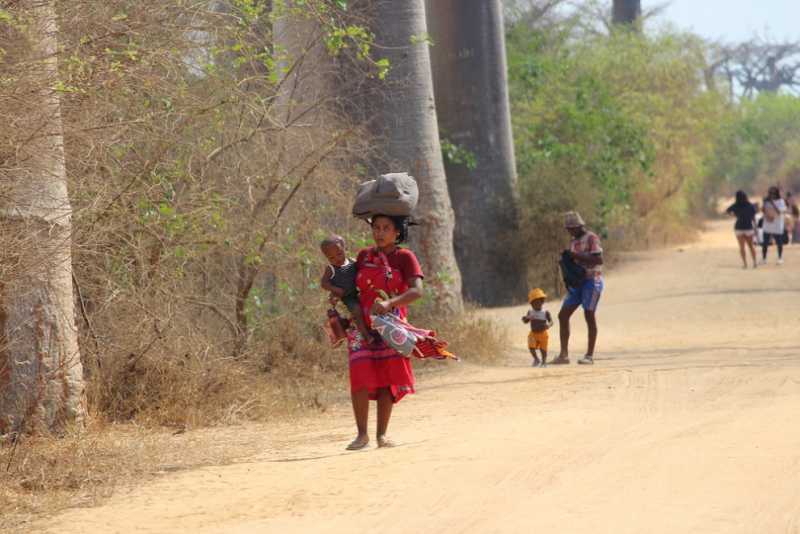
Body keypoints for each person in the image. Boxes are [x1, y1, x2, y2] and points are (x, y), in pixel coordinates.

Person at [345, 214, 424, 450]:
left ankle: (381, 435)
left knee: (386, 379)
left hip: (391, 326)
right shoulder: (363, 256)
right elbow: (350, 289)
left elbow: (417, 291)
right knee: (359, 374)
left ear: (397, 232)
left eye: (385, 228)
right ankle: (362, 435)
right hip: (361, 326)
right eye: (376, 228)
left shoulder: (405, 257)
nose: (379, 233)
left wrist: (391, 304)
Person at [552, 211, 603, 366]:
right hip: (578, 283)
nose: (571, 231)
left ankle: (589, 355)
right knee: (563, 315)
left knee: (589, 315)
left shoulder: (591, 238)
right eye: (568, 228)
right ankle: (564, 355)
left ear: (580, 226)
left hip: (592, 281)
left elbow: (598, 259)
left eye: (573, 228)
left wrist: (575, 256)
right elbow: (575, 262)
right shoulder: (574, 241)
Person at [319, 235, 373, 343]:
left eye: (339, 254)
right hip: (347, 297)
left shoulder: (353, 262)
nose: (337, 259)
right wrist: (335, 289)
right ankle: (366, 335)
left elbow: (362, 272)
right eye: (332, 258)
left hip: (359, 292)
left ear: (345, 249)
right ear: (327, 258)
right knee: (357, 311)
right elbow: (323, 283)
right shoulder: (331, 269)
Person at [725, 191, 758, 269]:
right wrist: (755, 227)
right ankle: (754, 262)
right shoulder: (750, 205)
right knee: (751, 246)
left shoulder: (735, 205)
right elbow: (753, 217)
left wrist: (734, 215)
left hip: (738, 227)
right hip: (748, 227)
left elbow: (727, 211)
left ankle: (745, 264)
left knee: (742, 247)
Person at [522, 288, 553, 367]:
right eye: (534, 303)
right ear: (531, 304)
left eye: (538, 302)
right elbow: (526, 321)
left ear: (542, 302)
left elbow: (551, 322)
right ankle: (536, 359)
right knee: (531, 347)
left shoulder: (545, 312)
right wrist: (525, 318)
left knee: (543, 349)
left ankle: (544, 362)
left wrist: (548, 325)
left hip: (543, 333)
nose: (536, 305)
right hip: (533, 333)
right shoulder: (530, 312)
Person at [761, 186, 787, 265]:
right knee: (765, 242)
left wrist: (772, 203)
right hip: (767, 224)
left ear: (776, 193)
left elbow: (779, 212)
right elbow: (763, 210)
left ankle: (780, 258)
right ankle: (764, 259)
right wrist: (764, 203)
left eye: (773, 193)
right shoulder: (766, 201)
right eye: (770, 193)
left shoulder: (781, 201)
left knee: (779, 242)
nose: (772, 194)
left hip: (777, 224)